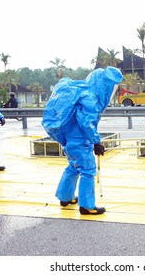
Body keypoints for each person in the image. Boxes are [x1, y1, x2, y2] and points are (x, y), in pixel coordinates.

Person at [42, 67, 123, 215]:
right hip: (80, 141)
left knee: (73, 167)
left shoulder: (81, 91)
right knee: (87, 170)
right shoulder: (90, 98)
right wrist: (96, 141)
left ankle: (65, 197)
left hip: (70, 139)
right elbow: (87, 123)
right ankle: (87, 205)